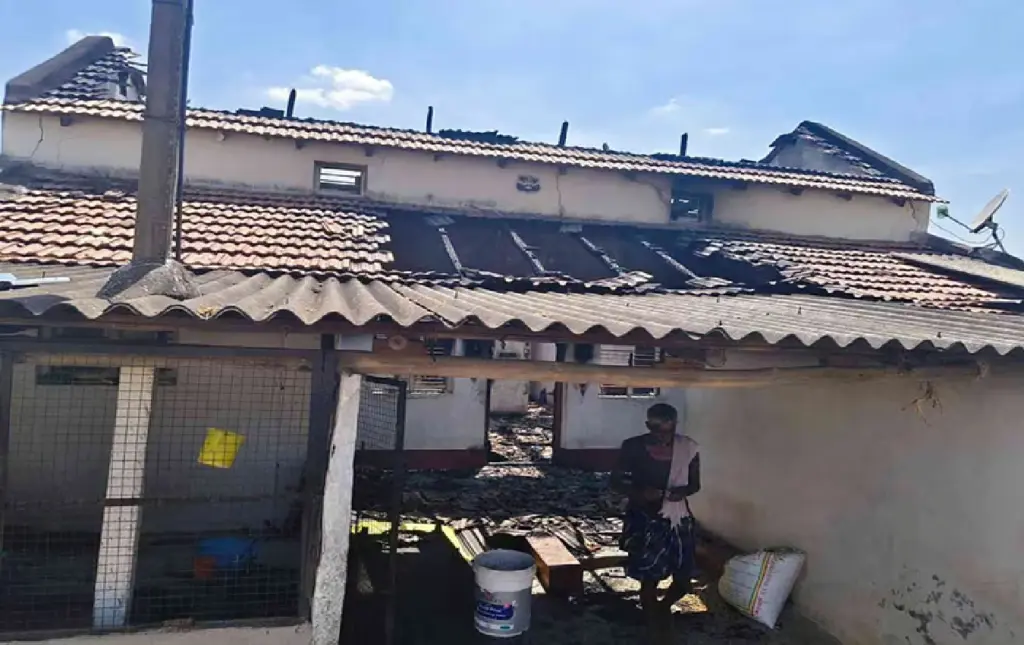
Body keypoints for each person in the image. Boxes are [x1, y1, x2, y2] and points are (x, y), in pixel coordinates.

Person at [610, 402, 700, 635]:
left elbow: (695, 484)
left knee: (684, 576)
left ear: (675, 425)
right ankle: (653, 623)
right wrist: (641, 492)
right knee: (648, 575)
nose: (663, 436)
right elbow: (616, 481)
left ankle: (663, 608)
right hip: (644, 518)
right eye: (658, 430)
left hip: (677, 517)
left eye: (669, 430)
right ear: (648, 426)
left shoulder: (687, 448)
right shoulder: (633, 447)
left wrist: (681, 492)